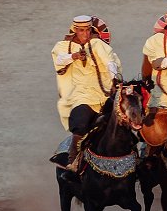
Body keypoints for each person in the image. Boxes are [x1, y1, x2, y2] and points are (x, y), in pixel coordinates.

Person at [52, 15, 121, 174]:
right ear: (75, 30)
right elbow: (60, 60)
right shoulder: (64, 46)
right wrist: (74, 56)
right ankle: (73, 162)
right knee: (80, 123)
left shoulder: (98, 44)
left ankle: (136, 161)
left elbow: (110, 61)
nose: (85, 34)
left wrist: (115, 78)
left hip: (104, 95)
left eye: (88, 30)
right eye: (82, 30)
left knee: (124, 122)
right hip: (81, 96)